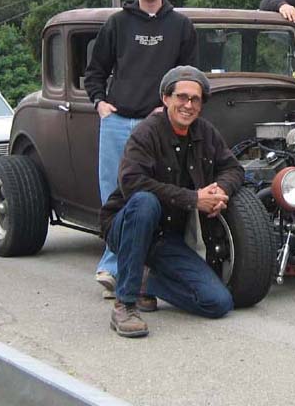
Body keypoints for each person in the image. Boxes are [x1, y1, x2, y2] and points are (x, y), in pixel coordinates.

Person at [101, 66, 243, 337]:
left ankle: (148, 283)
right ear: (166, 99)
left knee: (218, 302)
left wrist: (219, 192)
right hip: (128, 226)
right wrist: (193, 199)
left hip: (168, 237)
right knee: (145, 202)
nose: (188, 105)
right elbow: (132, 183)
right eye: (181, 97)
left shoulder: (205, 133)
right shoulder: (146, 133)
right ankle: (125, 304)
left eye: (195, 99)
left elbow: (234, 168)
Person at [84, 0, 198, 298]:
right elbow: (95, 71)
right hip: (117, 121)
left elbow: (188, 78)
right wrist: (100, 104)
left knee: (156, 196)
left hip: (159, 123)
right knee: (114, 194)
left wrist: (170, 112)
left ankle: (145, 271)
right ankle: (113, 268)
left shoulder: (181, 26)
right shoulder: (117, 23)